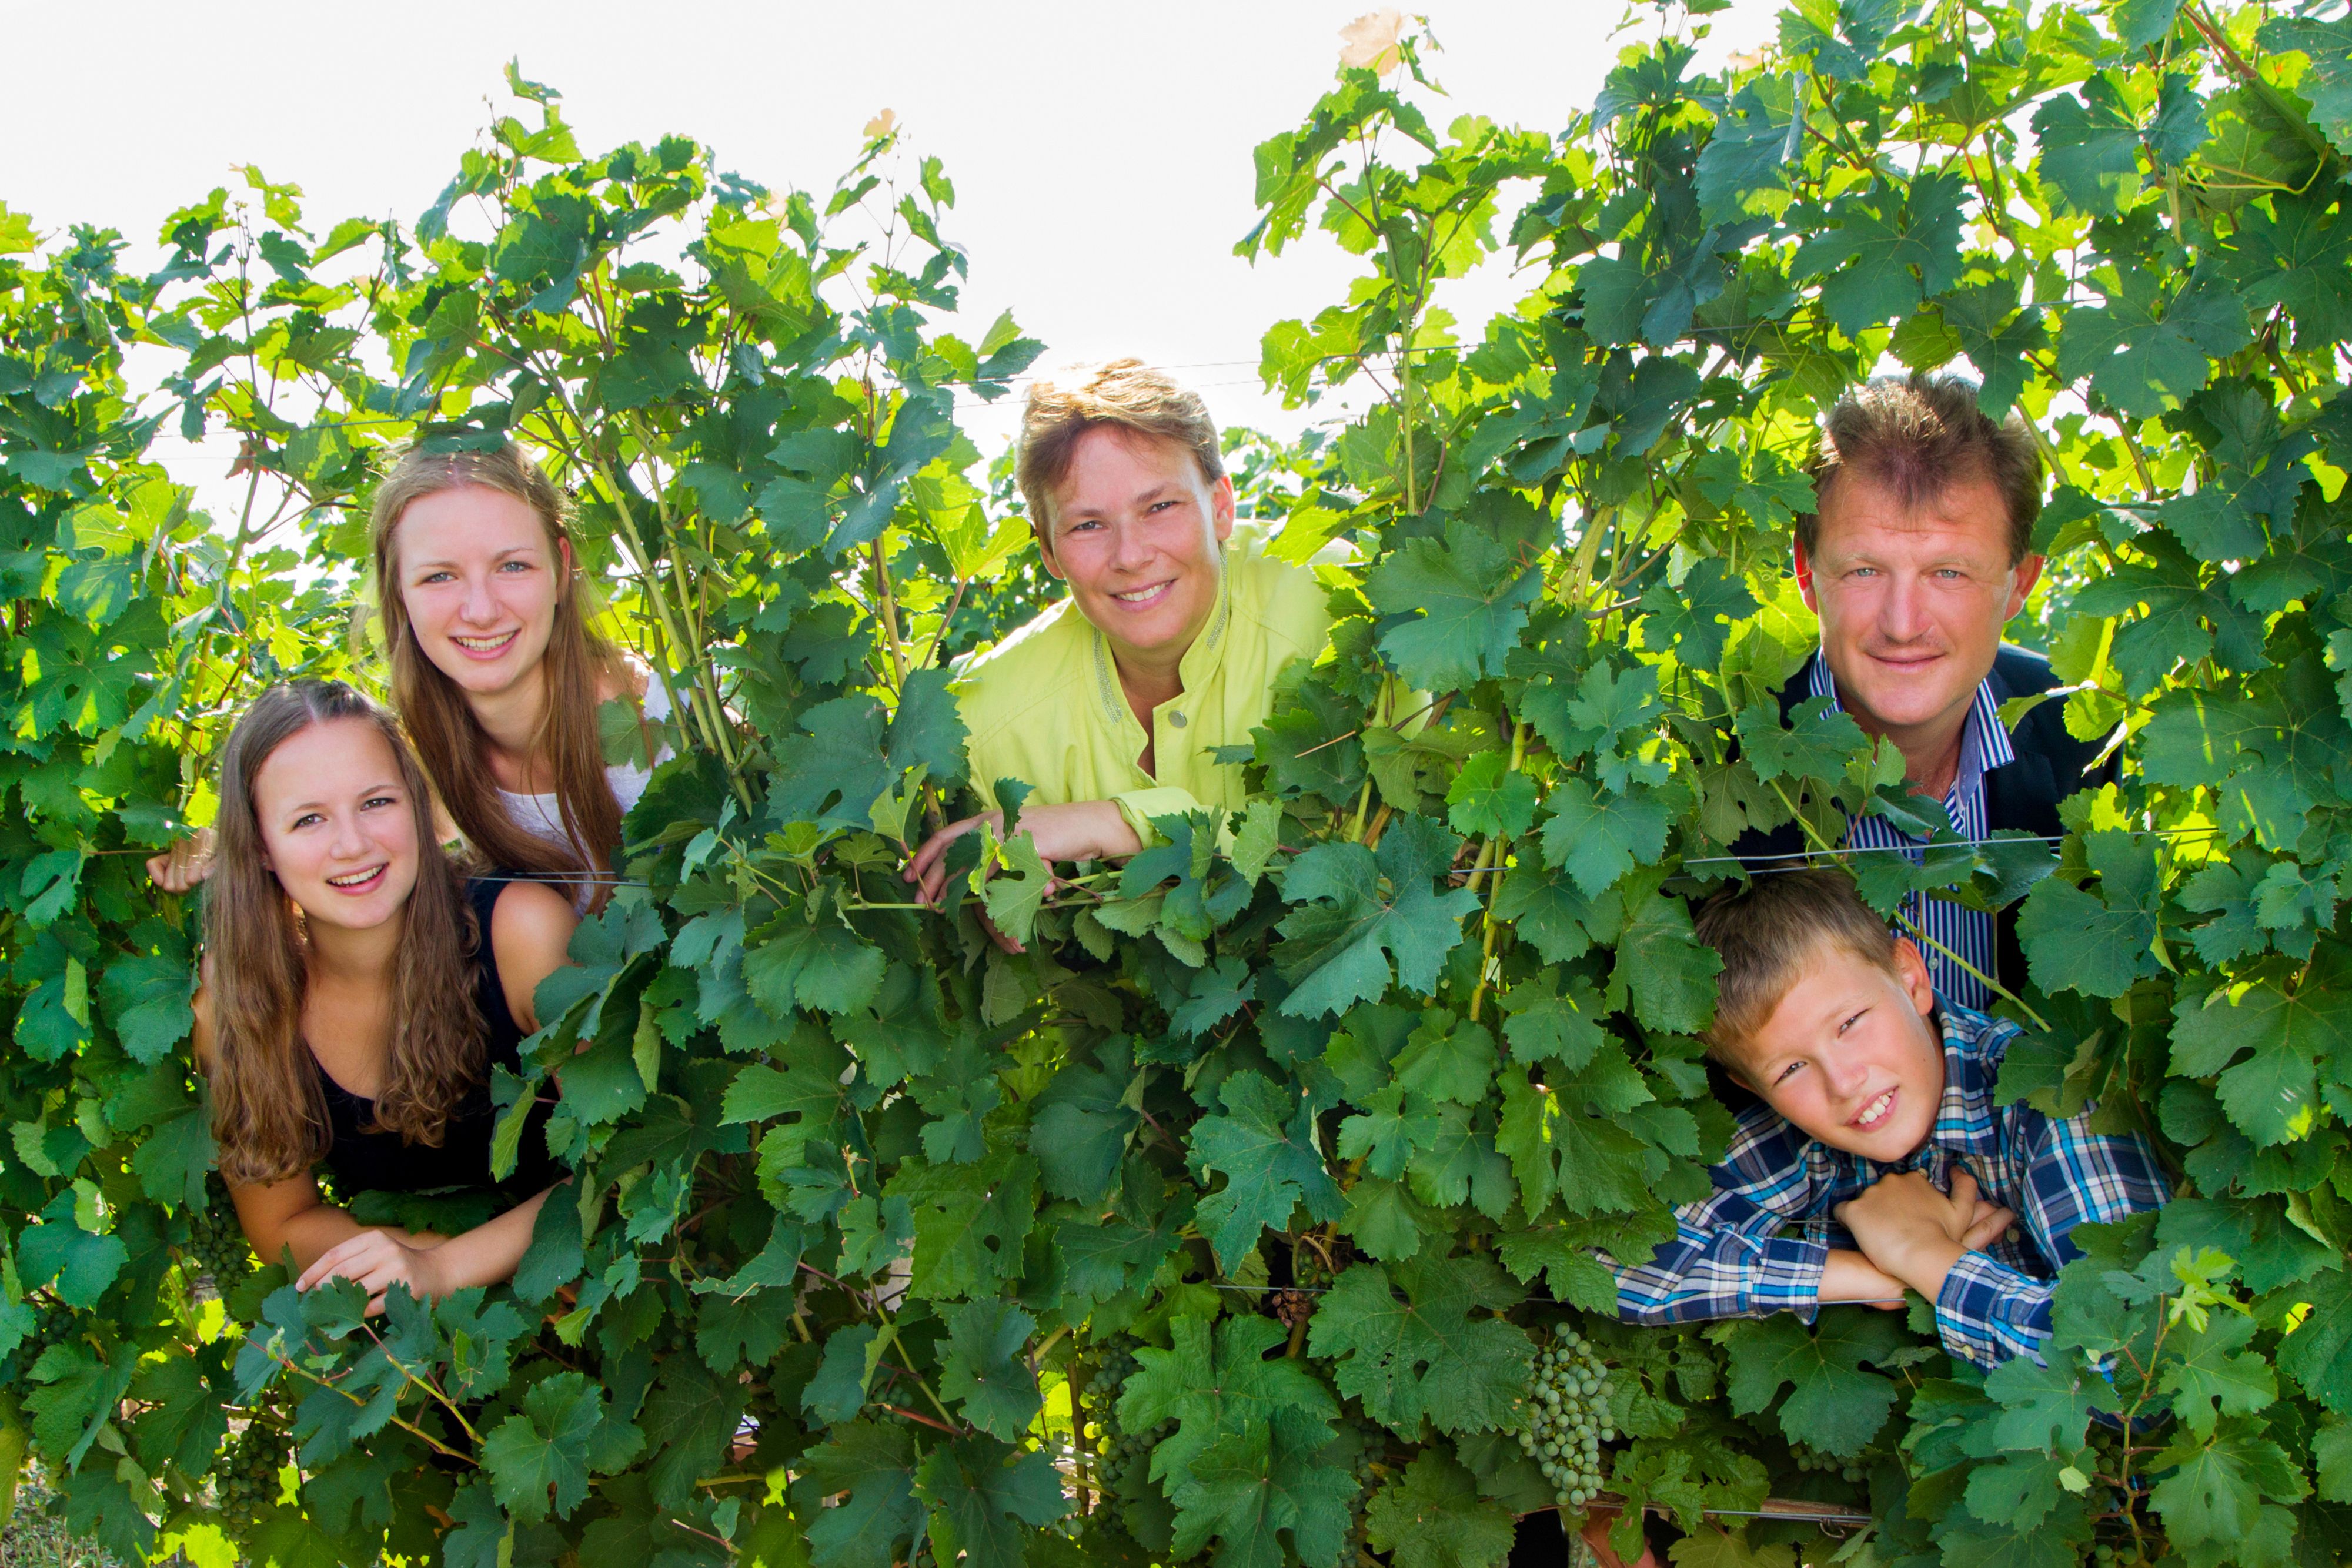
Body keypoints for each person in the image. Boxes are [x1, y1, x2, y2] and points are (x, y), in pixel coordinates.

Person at [1611, 868, 2169, 1370]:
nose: (1844, 1081)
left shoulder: (2049, 1094)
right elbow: (1613, 1256)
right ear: (1753, 1088)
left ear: (1911, 977)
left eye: (1850, 1022)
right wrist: (1873, 1270)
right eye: (1791, 1069)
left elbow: (2139, 1359)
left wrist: (1929, 1256)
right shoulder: (1802, 1135)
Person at [902, 360, 1332, 940]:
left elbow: (1379, 862)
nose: (1130, 555)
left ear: (1221, 506)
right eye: (1086, 526)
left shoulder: (1330, 609)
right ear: (1049, 552)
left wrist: (1117, 822)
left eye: (1160, 508)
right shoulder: (984, 724)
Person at [150, 442, 667, 913]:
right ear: (398, 592)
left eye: (512, 566)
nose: (481, 610)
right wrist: (223, 842)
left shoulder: (672, 718)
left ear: (560, 569)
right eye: (439, 576)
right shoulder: (418, 762)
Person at [1735, 372, 2114, 1009]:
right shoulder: (1721, 771)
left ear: (2019, 582)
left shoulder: (2084, 737)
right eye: (1864, 570)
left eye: (1948, 572)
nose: (1902, 623)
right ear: (1806, 572)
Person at [194, 680, 578, 1308]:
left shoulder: (521, 935)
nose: (353, 844)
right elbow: (280, 1226)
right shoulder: (237, 1002)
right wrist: (416, 1267)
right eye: (309, 818)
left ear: (419, 806)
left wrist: (445, 1269)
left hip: (595, 1291)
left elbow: (624, 1164)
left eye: (376, 802)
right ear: (261, 846)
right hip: (424, 1350)